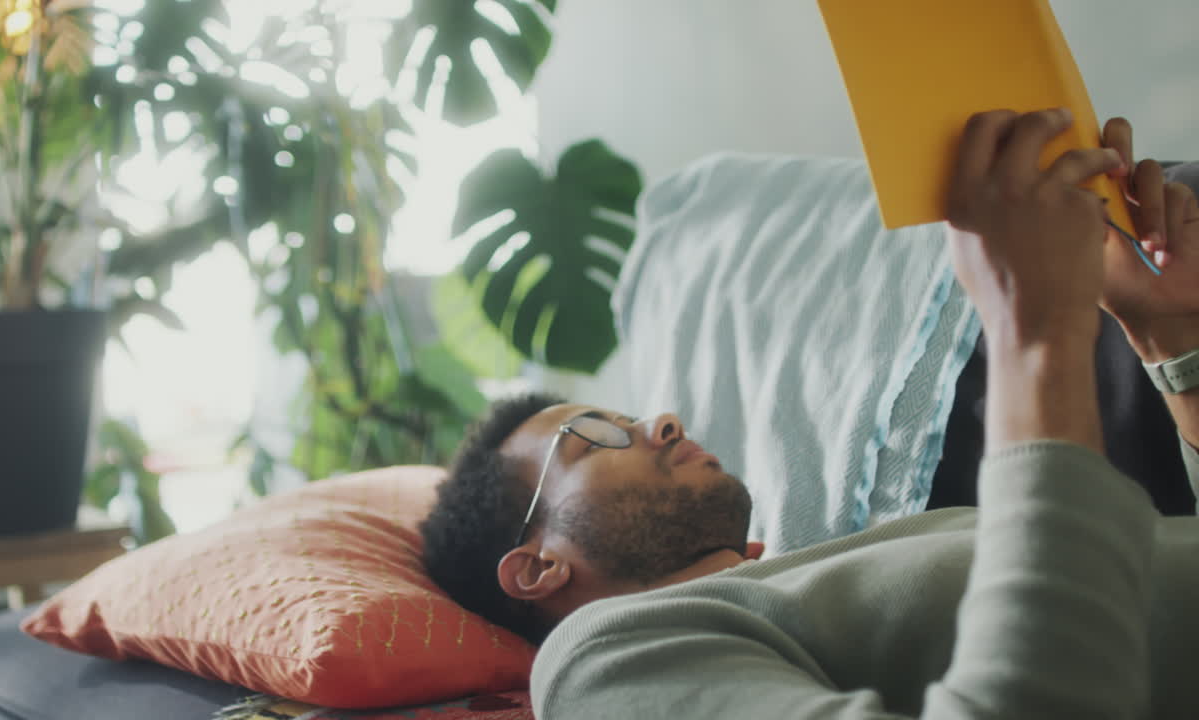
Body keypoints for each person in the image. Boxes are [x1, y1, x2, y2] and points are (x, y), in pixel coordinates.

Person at [421, 111, 1199, 718]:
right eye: (591, 440)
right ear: (537, 566)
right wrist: (1033, 332)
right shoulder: (595, 665)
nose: (657, 423)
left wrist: (1167, 339)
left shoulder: (831, 567)